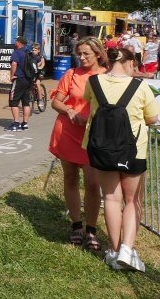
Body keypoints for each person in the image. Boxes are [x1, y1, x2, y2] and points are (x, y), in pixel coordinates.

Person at [84, 48, 159, 272]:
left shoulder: (94, 81)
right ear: (130, 62)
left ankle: (115, 252)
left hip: (101, 149)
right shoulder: (141, 86)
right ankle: (128, 248)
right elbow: (152, 118)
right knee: (132, 200)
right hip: (133, 151)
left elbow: (88, 101)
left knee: (111, 198)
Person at [48, 36, 108, 252]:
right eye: (79, 54)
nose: (81, 57)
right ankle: (76, 225)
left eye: (86, 54)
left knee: (93, 183)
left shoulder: (107, 76)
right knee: (70, 177)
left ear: (98, 54)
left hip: (93, 136)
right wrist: (70, 110)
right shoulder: (72, 74)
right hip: (67, 131)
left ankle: (91, 229)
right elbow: (56, 101)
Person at [6, 36, 33, 131]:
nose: (15, 42)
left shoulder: (17, 52)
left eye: (16, 41)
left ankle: (16, 123)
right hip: (28, 80)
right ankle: (25, 123)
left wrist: (12, 75)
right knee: (26, 102)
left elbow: (14, 64)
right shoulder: (29, 53)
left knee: (14, 101)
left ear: (19, 43)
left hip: (19, 79)